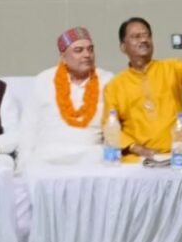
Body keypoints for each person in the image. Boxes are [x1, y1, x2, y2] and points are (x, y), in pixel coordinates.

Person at [103, 17, 182, 161]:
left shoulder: (171, 68)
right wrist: (136, 148)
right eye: (136, 37)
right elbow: (108, 126)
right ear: (123, 47)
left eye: (147, 35)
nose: (143, 40)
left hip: (180, 154)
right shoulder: (115, 86)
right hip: (139, 158)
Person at [18, 27, 113, 166]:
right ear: (63, 57)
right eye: (78, 50)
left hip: (90, 156)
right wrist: (23, 165)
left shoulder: (107, 80)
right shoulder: (44, 80)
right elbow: (29, 127)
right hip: (48, 157)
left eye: (90, 49)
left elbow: (115, 126)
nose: (87, 55)